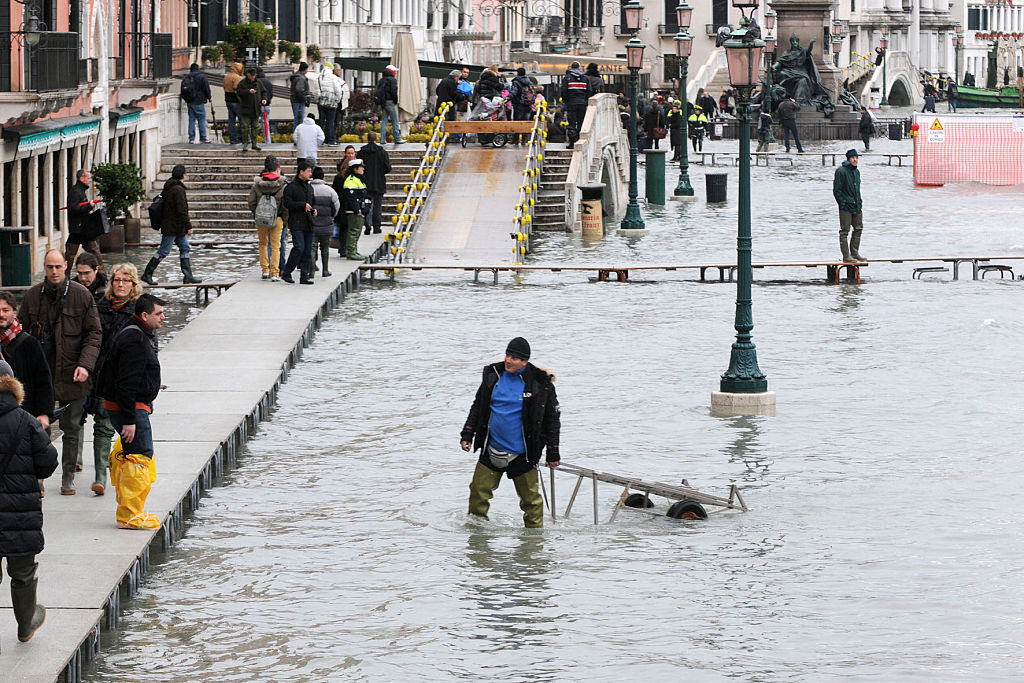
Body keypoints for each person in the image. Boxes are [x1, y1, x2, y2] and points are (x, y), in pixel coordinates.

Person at [18, 249, 101, 496]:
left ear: (67, 265)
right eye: (49, 267)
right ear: (44, 267)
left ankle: (68, 477)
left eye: (58, 266)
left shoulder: (82, 295)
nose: (54, 271)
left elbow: (94, 334)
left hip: (73, 372)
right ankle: (39, 479)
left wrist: (85, 365)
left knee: (72, 427)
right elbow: (20, 332)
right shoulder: (33, 296)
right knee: (36, 427)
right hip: (39, 374)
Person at [460, 337, 561, 529]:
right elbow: (477, 407)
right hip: (491, 449)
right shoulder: (493, 375)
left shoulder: (541, 382)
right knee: (477, 494)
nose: (508, 360)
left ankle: (533, 549)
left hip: (523, 454)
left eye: (514, 357)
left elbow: (552, 420)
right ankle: (477, 544)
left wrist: (553, 452)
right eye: (507, 354)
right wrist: (467, 434)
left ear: (525, 361)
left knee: (531, 503)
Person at [0, 359, 58, 645]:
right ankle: (26, 623)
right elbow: (48, 464)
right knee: (23, 572)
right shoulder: (27, 421)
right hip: (20, 514)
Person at [97, 292, 165, 530]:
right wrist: (128, 420)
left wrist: (151, 383)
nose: (163, 318)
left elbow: (127, 373)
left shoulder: (134, 331)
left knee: (134, 455)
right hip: (130, 409)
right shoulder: (135, 340)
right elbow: (126, 382)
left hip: (129, 405)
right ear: (145, 315)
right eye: (159, 313)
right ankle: (129, 514)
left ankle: (130, 509)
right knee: (140, 457)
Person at [86, 263, 141, 496]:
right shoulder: (100, 307)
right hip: (102, 373)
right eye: (117, 280)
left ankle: (126, 473)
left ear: (133, 284)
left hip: (129, 375)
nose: (120, 284)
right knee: (102, 424)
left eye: (125, 281)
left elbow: (149, 346)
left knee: (129, 428)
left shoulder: (139, 311)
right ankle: (100, 475)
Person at [0, 291, 53, 435]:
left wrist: (44, 413)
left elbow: (43, 379)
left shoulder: (29, 343)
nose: (1, 315)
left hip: (26, 415)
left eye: (6, 310)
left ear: (14, 313)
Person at [141, 165, 201, 285]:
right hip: (173, 227)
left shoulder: (169, 186)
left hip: (175, 227)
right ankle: (147, 274)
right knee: (163, 251)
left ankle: (188, 276)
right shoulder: (178, 189)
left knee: (185, 248)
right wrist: (188, 226)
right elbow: (182, 210)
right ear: (183, 175)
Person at [248, 154, 288, 281]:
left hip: (261, 218)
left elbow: (251, 202)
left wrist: (256, 213)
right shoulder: (283, 184)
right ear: (277, 168)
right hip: (278, 217)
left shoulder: (256, 185)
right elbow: (286, 204)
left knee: (262, 244)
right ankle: (275, 272)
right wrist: (285, 218)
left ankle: (265, 270)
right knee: (276, 246)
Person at [282, 160, 316, 285]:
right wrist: (302, 205)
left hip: (309, 222)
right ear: (301, 172)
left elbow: (313, 201)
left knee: (307, 250)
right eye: (308, 171)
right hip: (296, 222)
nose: (310, 174)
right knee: (299, 247)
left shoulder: (309, 186)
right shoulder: (291, 187)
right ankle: (287, 271)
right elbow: (287, 203)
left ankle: (304, 275)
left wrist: (313, 210)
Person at [65, 169, 105, 272]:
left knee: (95, 254)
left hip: (83, 229)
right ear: (81, 179)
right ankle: (64, 279)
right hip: (78, 230)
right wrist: (89, 206)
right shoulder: (75, 192)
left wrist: (88, 206)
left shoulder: (80, 191)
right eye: (88, 178)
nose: (90, 180)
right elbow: (73, 208)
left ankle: (103, 277)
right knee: (70, 257)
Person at [833, 149, 865, 263]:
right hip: (845, 206)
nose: (855, 160)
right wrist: (842, 204)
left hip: (857, 205)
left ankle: (855, 253)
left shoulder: (857, 172)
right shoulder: (841, 171)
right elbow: (837, 190)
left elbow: (857, 189)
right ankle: (846, 256)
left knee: (858, 228)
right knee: (844, 231)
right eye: (853, 158)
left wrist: (859, 203)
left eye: (856, 157)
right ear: (848, 159)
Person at [309, 166, 340, 278]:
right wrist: (331, 217)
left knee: (312, 248)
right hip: (326, 224)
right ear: (323, 177)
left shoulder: (308, 188)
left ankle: (311, 270)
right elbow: (336, 206)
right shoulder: (330, 191)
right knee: (325, 248)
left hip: (312, 224)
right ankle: (325, 270)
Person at [359, 131, 391, 235]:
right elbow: (388, 168)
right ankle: (377, 227)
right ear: (376, 139)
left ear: (367, 139)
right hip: (379, 182)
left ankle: (367, 223)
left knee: (367, 204)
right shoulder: (382, 152)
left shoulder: (362, 152)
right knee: (377, 206)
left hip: (365, 182)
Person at [340, 159, 371, 261]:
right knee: (353, 231)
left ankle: (354, 250)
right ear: (355, 168)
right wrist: (357, 210)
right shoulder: (351, 180)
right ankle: (351, 252)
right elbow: (351, 197)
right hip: (354, 212)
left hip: (360, 211)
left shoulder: (359, 179)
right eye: (361, 167)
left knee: (357, 232)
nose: (363, 168)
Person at [236, 67, 267, 153]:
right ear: (248, 75)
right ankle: (245, 143)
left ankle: (254, 143)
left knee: (255, 127)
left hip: (256, 108)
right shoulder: (242, 83)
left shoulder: (258, 82)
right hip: (246, 109)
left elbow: (264, 92)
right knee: (245, 127)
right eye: (251, 75)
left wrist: (264, 99)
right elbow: (238, 92)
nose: (253, 77)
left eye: (254, 75)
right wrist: (248, 91)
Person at [559, 61, 591, 142]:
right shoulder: (586, 78)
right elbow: (589, 91)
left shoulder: (567, 78)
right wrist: (585, 100)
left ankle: (572, 142)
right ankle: (581, 140)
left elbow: (564, 91)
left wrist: (566, 101)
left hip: (571, 103)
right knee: (581, 122)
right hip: (582, 103)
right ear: (579, 67)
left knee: (572, 123)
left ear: (571, 68)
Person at [332, 149, 356, 258]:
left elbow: (334, 191)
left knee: (342, 228)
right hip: (348, 205)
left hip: (340, 205)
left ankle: (342, 248)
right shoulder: (351, 179)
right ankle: (347, 248)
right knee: (349, 228)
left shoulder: (338, 178)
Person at [181, 63, 212, 144]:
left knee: (191, 119)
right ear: (198, 69)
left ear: (190, 69)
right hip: (199, 100)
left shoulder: (187, 77)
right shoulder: (202, 77)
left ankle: (191, 138)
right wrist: (209, 97)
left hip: (189, 101)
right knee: (201, 118)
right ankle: (203, 137)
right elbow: (206, 88)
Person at [315, 62, 343, 145]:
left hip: (321, 101)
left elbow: (316, 90)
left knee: (321, 120)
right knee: (330, 121)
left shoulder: (318, 77)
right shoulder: (333, 77)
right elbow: (338, 90)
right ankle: (330, 139)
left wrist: (318, 99)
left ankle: (320, 139)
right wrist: (338, 99)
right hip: (331, 101)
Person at [376, 65, 404, 145]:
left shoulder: (381, 80)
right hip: (391, 102)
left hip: (383, 102)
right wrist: (396, 101)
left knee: (384, 120)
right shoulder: (393, 80)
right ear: (391, 71)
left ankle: (382, 139)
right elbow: (394, 92)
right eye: (394, 71)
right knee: (395, 120)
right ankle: (397, 138)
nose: (395, 72)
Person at [222, 61, 244, 145]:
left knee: (231, 120)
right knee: (242, 120)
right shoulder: (237, 78)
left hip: (228, 100)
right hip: (236, 101)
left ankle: (232, 138)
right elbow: (237, 89)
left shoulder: (227, 76)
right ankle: (243, 137)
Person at [289, 61, 312, 131]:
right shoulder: (301, 78)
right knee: (299, 119)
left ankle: (297, 136)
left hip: (296, 100)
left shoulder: (297, 76)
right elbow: (299, 91)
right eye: (307, 69)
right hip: (299, 101)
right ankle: (298, 136)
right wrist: (305, 99)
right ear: (305, 69)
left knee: (297, 119)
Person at [256, 68, 274, 144]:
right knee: (266, 124)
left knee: (253, 124)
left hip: (257, 106)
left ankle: (252, 142)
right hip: (266, 106)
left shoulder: (256, 82)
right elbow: (271, 94)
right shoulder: (268, 82)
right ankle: (268, 141)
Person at [333, 64, 351, 140]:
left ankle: (334, 136)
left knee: (335, 122)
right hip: (336, 104)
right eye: (339, 70)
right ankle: (333, 137)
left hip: (337, 104)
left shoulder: (338, 79)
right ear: (335, 70)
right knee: (334, 121)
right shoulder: (336, 80)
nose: (340, 72)